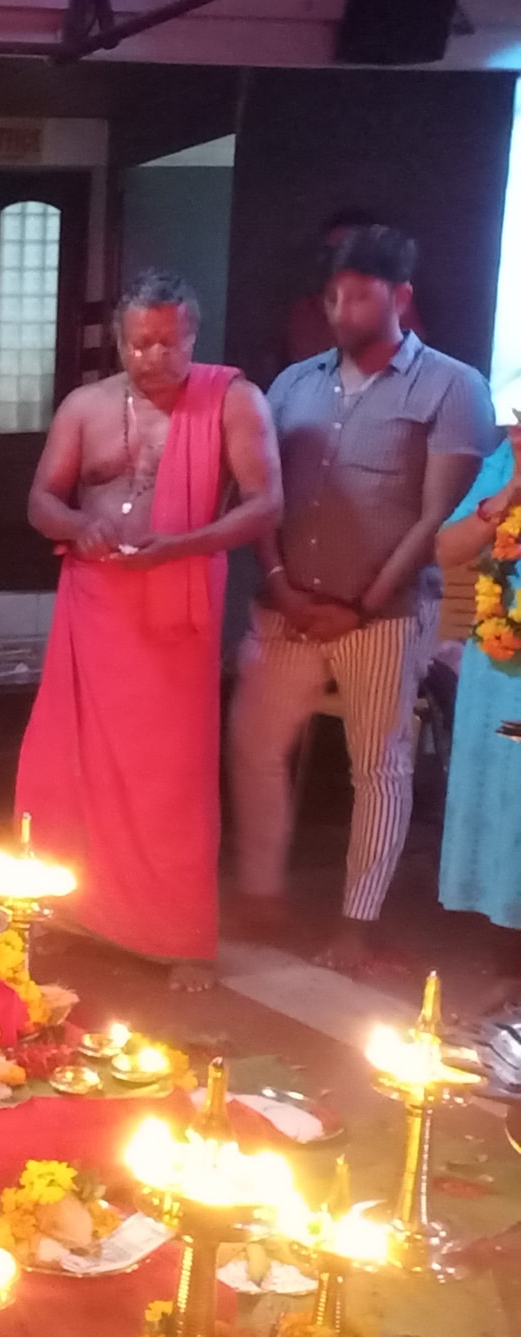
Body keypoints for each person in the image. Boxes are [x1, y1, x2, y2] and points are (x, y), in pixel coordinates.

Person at [230, 225, 497, 971]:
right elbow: (262, 498)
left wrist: (363, 602)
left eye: (357, 295)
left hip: (384, 614)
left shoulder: (452, 386)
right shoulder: (294, 384)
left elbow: (434, 517)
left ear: (400, 297)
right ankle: (260, 895)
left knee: (379, 766)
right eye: (331, 297)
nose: (340, 310)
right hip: (286, 607)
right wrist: (281, 585)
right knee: (253, 746)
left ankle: (357, 925)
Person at [16, 269, 282, 990]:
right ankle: (72, 911)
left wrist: (185, 544)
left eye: (168, 343)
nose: (153, 357)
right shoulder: (86, 406)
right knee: (70, 763)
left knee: (171, 773)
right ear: (119, 339)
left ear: (193, 335)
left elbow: (265, 505)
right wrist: (79, 524)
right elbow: (42, 500)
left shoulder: (233, 401)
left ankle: (178, 935)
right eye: (139, 344)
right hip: (96, 602)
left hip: (177, 600)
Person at [436, 418, 521, 1009]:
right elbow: (447, 549)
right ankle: (511, 968)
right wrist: (510, 491)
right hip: (505, 666)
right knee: (508, 811)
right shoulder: (504, 462)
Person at [280, 209, 424, 376]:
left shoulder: (392, 304)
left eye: (349, 250)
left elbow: (414, 363)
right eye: (332, 251)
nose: (340, 259)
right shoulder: (306, 312)